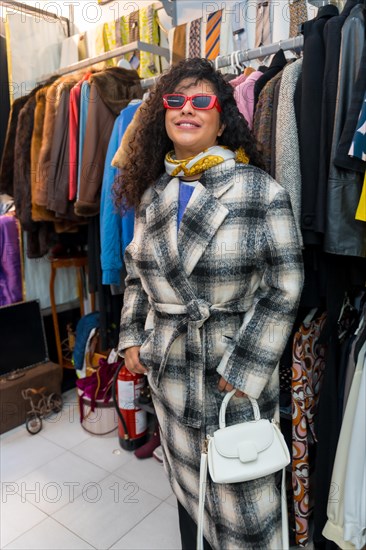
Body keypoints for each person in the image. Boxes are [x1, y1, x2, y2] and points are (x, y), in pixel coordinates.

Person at [114, 58, 304, 549]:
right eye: (175, 101)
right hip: (173, 375)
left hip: (233, 376)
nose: (187, 110)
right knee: (191, 501)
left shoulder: (259, 190)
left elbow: (285, 285)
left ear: (223, 118)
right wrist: (133, 335)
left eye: (202, 101)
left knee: (245, 508)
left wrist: (245, 365)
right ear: (162, 116)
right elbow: (136, 274)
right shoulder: (152, 195)